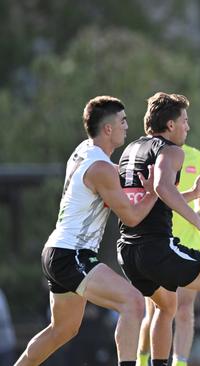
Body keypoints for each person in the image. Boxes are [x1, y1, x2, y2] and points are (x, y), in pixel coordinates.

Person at [15, 96, 159, 366]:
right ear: (107, 129)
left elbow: (115, 180)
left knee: (63, 329)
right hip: (72, 254)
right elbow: (132, 217)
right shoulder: (102, 168)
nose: (127, 126)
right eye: (123, 121)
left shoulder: (85, 150)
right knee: (134, 303)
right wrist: (151, 193)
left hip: (57, 251)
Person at [117, 92, 200, 366]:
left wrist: (191, 193)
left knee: (166, 307)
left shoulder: (131, 149)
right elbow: (161, 187)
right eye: (185, 121)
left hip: (128, 250)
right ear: (170, 125)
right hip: (157, 250)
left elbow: (153, 193)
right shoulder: (171, 150)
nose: (187, 127)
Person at [136, 143, 200, 366]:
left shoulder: (197, 155)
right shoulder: (154, 153)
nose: (185, 126)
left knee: (185, 309)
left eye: (186, 121)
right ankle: (142, 359)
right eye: (182, 120)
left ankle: (179, 363)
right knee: (157, 310)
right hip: (161, 241)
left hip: (190, 241)